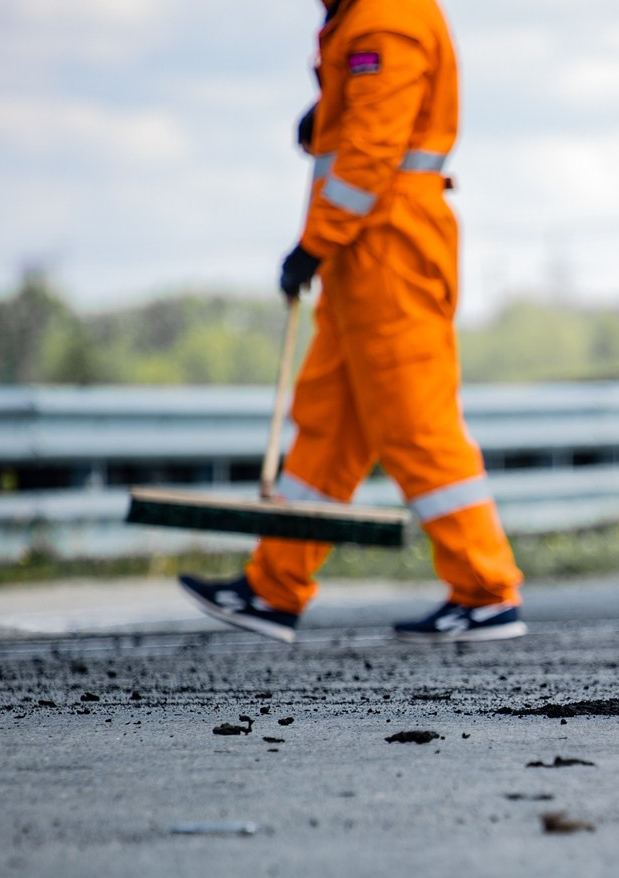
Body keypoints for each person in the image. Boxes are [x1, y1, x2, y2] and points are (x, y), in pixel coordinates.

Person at [181, 0, 525, 645]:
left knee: (418, 426)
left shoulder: (383, 19)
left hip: (387, 251)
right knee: (327, 430)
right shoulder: (365, 19)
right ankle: (272, 589)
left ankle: (486, 591)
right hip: (366, 256)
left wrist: (314, 243)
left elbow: (371, 151)